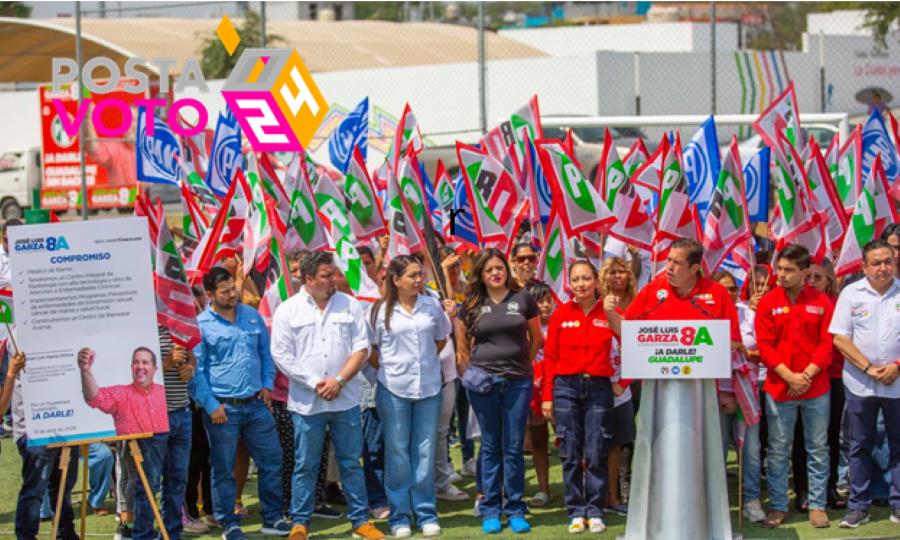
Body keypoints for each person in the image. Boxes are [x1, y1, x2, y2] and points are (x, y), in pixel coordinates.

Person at [605, 238, 741, 540]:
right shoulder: (653, 291)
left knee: (703, 457)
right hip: (657, 393)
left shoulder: (716, 294)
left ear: (695, 268)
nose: (669, 267)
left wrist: (700, 349)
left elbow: (733, 341)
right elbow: (631, 334)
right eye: (668, 260)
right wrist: (612, 315)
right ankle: (651, 526)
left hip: (700, 395)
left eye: (677, 263)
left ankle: (706, 526)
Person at [270, 251, 385, 540]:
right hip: (307, 403)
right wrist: (315, 382)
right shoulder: (287, 310)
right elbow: (281, 354)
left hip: (345, 400)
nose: (333, 279)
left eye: (333, 273)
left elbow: (362, 349)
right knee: (305, 465)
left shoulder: (350, 305)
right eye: (325, 275)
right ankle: (300, 523)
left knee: (350, 463)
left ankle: (360, 521)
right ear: (308, 279)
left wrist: (339, 380)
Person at [192, 267, 291, 540]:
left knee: (272, 461)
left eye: (233, 288)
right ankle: (229, 523)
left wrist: (267, 385)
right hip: (223, 409)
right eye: (224, 291)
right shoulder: (201, 325)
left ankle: (272, 518)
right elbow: (196, 372)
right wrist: (211, 404)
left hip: (257, 405)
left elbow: (265, 354)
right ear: (210, 294)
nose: (232, 294)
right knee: (223, 468)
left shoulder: (251, 315)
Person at [454, 248, 542, 534]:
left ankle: (515, 507)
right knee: (490, 446)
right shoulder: (471, 302)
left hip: (518, 383)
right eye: (490, 269)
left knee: (514, 447)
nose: (496, 273)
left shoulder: (523, 299)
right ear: (481, 273)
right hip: (483, 385)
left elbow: (536, 338)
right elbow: (462, 346)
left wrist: (522, 367)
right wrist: (471, 374)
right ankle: (491, 507)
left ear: (507, 270)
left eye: (500, 268)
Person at [368, 255, 452, 537]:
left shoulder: (431, 305)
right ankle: (400, 516)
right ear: (396, 280)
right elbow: (371, 351)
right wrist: (395, 369)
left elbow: (440, 339)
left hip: (429, 388)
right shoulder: (380, 311)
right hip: (393, 391)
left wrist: (423, 364)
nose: (419, 280)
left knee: (425, 452)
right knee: (398, 453)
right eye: (412, 276)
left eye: (420, 275)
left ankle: (426, 512)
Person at [755, 244, 835, 529]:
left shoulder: (822, 301)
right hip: (780, 388)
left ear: (804, 272)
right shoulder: (767, 302)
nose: (781, 274)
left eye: (789, 270)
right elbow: (764, 346)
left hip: (816, 388)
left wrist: (807, 375)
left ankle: (816, 504)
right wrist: (790, 376)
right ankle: (778, 505)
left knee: (817, 448)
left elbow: (828, 343)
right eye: (779, 269)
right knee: (777, 449)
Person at [541, 260, 616, 534]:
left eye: (586, 278)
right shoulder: (561, 314)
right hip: (565, 388)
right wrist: (547, 395)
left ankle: (595, 510)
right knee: (570, 450)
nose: (581, 285)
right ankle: (576, 510)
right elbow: (550, 358)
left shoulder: (609, 312)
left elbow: (633, 343)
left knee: (596, 449)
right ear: (569, 284)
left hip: (599, 387)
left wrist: (625, 382)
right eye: (576, 280)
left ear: (596, 280)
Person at [830, 239, 900, 528]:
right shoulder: (850, 293)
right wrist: (869, 368)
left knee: (899, 444)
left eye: (888, 261)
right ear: (864, 266)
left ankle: (898, 503)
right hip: (860, 383)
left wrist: (896, 367)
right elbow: (840, 338)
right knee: (859, 445)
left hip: (897, 383)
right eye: (876, 263)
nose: (883, 268)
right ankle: (859, 505)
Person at [131, 326, 197, 540]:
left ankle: (171, 533)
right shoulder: (141, 324)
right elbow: (131, 371)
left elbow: (191, 359)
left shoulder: (180, 324)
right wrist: (165, 363)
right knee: (149, 483)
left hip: (181, 412)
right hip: (152, 415)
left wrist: (190, 369)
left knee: (177, 479)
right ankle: (143, 535)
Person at [10, 351, 81, 540]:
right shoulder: (17, 336)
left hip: (67, 425)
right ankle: (26, 536)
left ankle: (65, 532)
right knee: (35, 490)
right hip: (34, 430)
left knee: (64, 486)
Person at [807, 258, 849, 510]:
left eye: (818, 277)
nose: (812, 282)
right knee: (804, 437)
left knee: (830, 436)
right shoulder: (797, 301)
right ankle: (803, 490)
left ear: (829, 279)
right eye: (808, 277)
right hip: (804, 378)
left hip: (833, 376)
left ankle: (830, 487)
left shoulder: (838, 303)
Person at [598, 256, 637, 517]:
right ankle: (596, 496)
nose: (617, 276)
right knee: (598, 444)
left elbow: (639, 344)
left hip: (630, 384)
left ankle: (621, 493)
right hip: (601, 383)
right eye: (612, 272)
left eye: (622, 271)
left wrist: (624, 383)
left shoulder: (638, 304)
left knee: (624, 443)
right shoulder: (596, 305)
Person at [78, 346, 169, 436]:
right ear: (131, 367)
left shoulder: (165, 393)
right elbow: (95, 397)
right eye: (135, 362)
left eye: (145, 362)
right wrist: (86, 370)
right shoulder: (121, 394)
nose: (140, 366)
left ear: (155, 369)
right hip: (134, 449)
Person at [525, 281, 554, 508]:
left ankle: (582, 485)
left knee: (568, 439)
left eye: (547, 299)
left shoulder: (561, 322)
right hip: (533, 388)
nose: (544, 305)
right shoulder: (522, 328)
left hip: (558, 387)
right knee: (538, 440)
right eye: (539, 301)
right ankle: (543, 488)